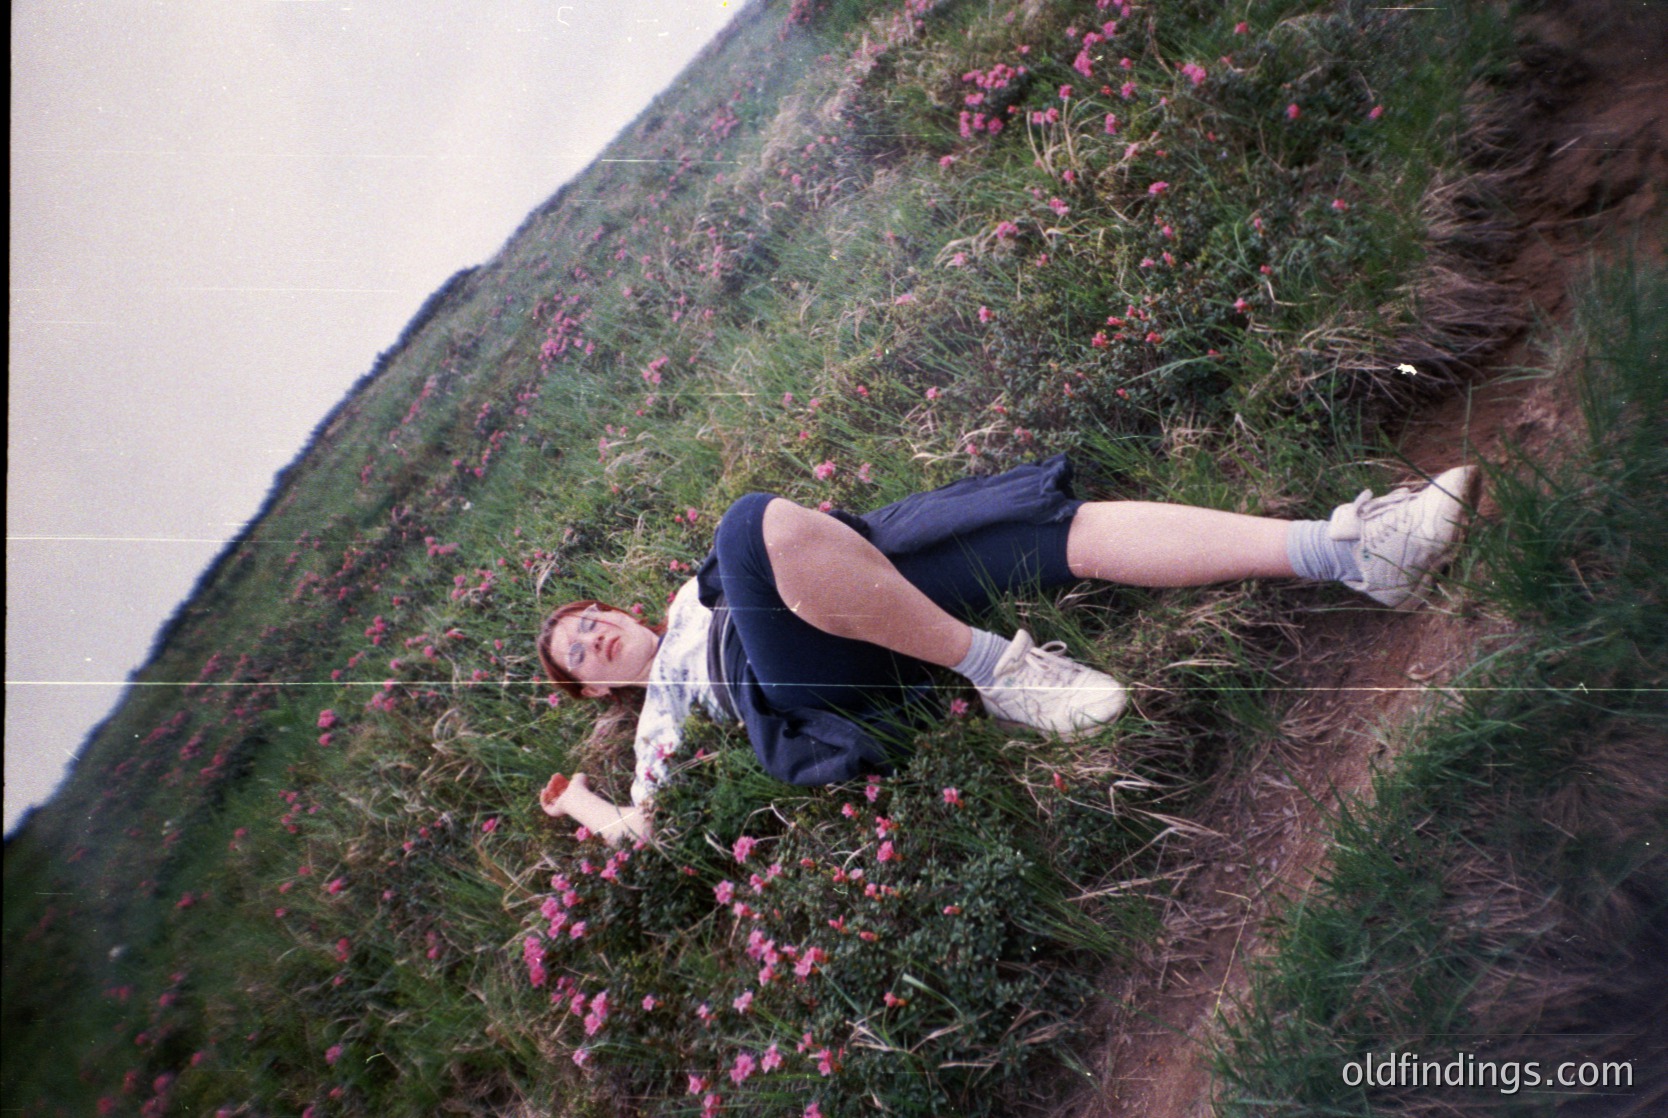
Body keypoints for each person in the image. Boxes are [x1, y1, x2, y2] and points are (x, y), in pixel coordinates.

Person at [536, 456, 1480, 843]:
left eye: (586, 621)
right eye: (581, 656)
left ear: (613, 608)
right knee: (749, 522)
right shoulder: (658, 717)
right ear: (599, 690)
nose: (593, 637)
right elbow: (642, 826)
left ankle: (1348, 552)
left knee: (1048, 534)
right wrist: (581, 802)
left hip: (872, 588)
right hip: (815, 676)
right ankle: (1001, 671)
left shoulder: (683, 599)